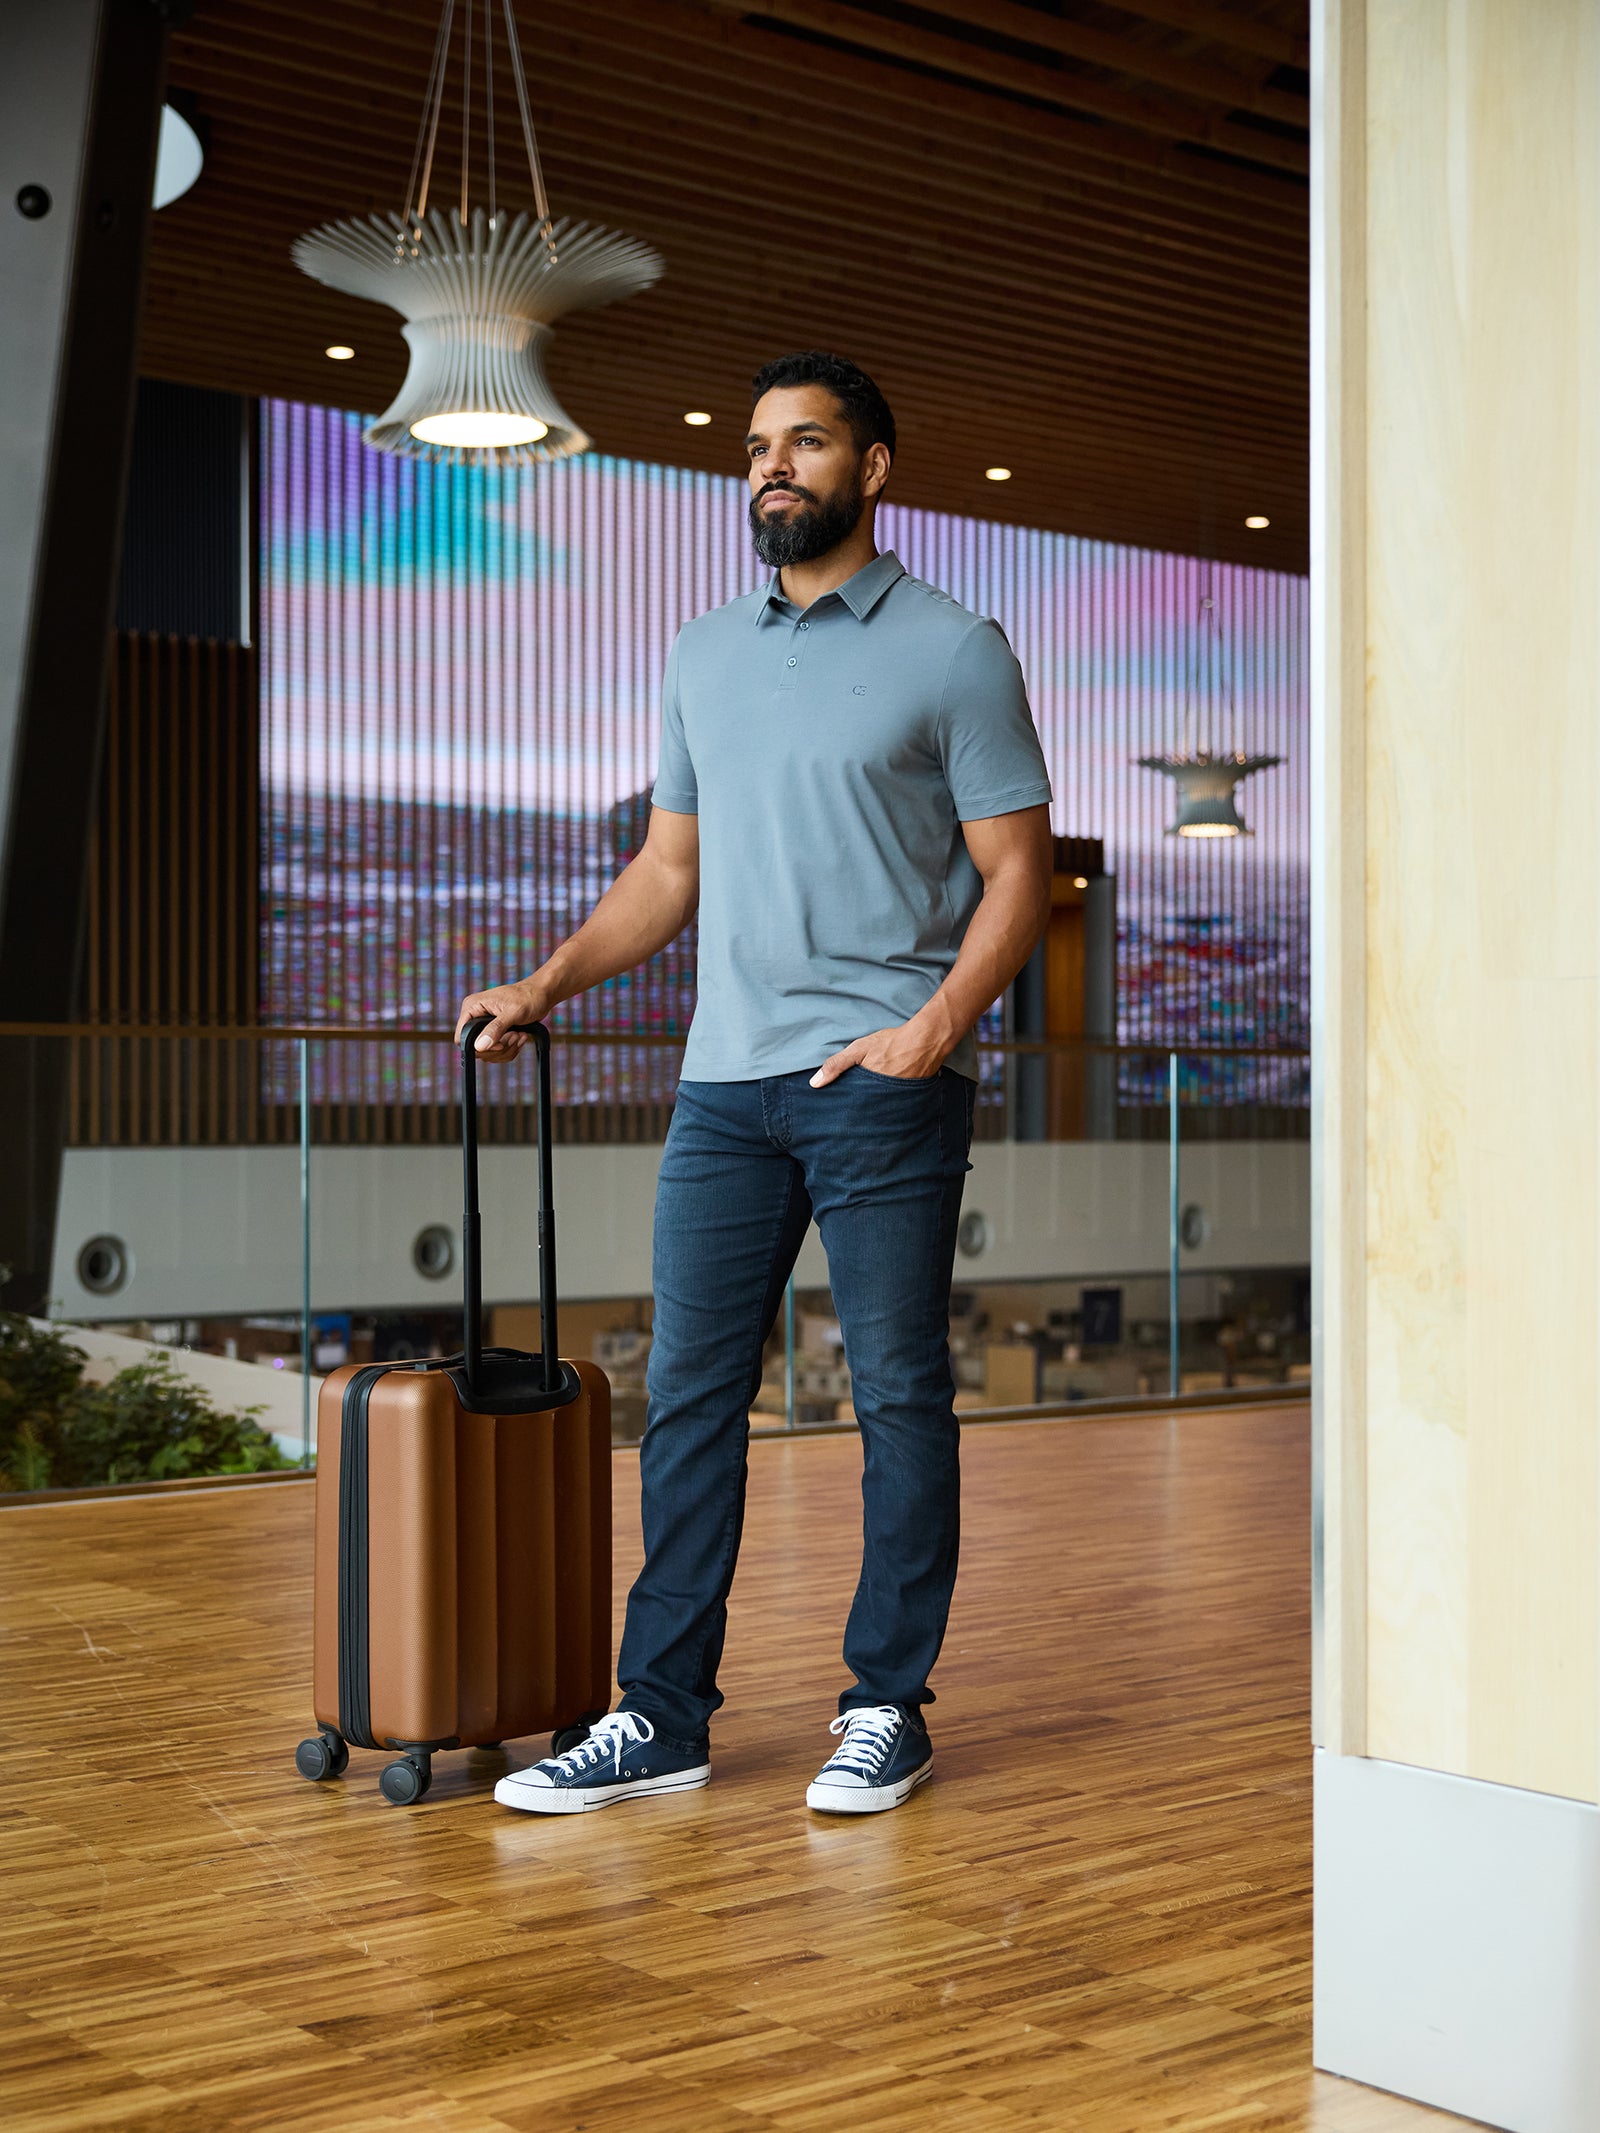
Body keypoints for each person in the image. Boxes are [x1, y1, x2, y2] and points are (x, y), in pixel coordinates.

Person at [456, 350, 1053, 1816]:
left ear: (875, 467)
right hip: (723, 1086)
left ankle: (885, 1703)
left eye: (805, 443)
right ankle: (660, 1716)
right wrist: (546, 984)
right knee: (690, 1403)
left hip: (879, 1086)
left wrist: (930, 1031)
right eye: (754, 449)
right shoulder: (702, 652)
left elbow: (1019, 872)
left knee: (899, 1397)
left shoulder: (955, 647)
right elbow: (670, 870)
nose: (772, 467)